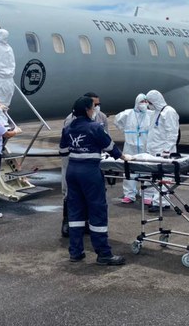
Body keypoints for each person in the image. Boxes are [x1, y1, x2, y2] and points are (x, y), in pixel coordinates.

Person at [59, 96, 130, 265]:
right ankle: (104, 253)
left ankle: (75, 252)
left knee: (75, 212)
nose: (94, 110)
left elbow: (62, 151)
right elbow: (111, 148)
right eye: (93, 107)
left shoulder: (68, 128)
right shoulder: (95, 127)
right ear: (87, 110)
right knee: (97, 210)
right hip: (89, 172)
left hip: (72, 171)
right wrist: (124, 157)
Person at [60, 91, 109, 237]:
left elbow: (106, 138)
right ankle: (66, 221)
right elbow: (66, 146)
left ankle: (87, 223)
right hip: (73, 160)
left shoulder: (102, 117)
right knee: (70, 192)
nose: (96, 107)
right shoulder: (70, 120)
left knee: (90, 194)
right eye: (94, 105)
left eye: (98, 104)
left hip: (93, 161)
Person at [143, 89, 180, 212]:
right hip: (155, 151)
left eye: (150, 102)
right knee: (157, 177)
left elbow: (172, 133)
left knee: (165, 178)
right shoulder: (156, 113)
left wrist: (167, 151)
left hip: (164, 152)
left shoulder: (169, 112)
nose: (149, 104)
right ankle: (158, 200)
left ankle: (161, 202)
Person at [114, 93, 153, 204]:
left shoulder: (151, 114)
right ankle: (129, 194)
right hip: (130, 147)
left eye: (146, 102)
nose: (144, 104)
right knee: (129, 171)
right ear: (137, 102)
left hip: (146, 147)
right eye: (142, 102)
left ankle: (148, 194)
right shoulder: (127, 114)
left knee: (148, 170)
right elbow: (117, 122)